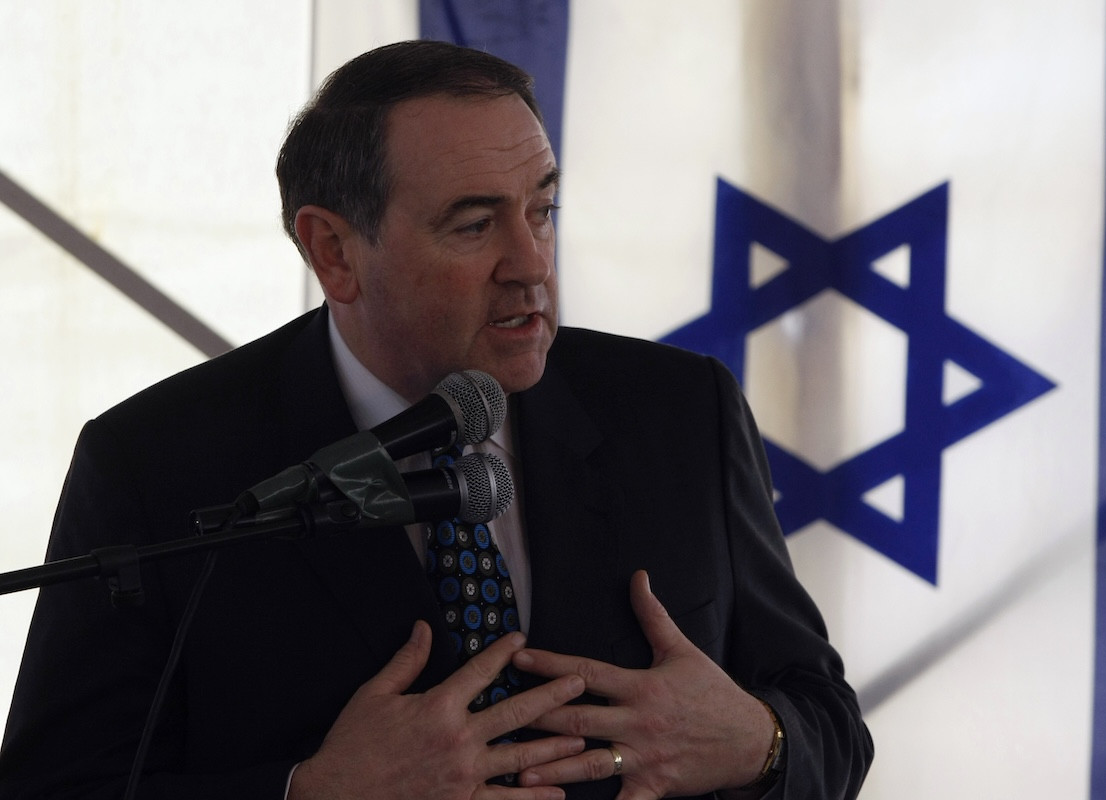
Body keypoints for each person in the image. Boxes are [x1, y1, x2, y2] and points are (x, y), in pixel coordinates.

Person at [0, 40, 872, 799]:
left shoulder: (681, 411)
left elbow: (829, 723)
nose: (532, 264)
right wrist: (310, 793)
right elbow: (54, 788)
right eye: (474, 225)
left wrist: (759, 742)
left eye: (542, 209)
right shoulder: (155, 463)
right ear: (334, 252)